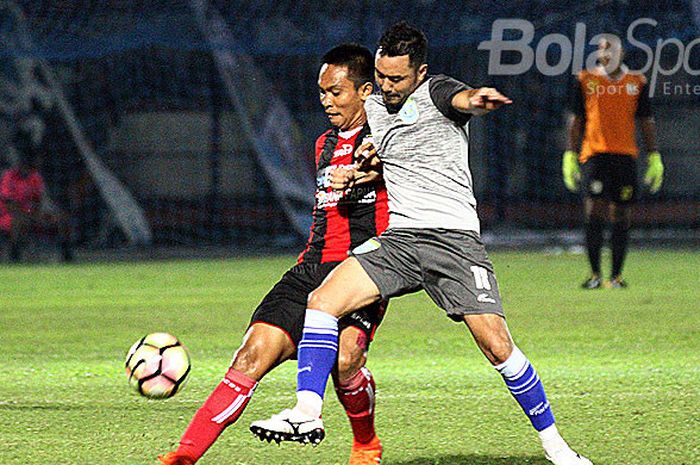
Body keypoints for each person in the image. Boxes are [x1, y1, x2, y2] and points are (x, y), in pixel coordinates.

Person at [251, 22, 593, 465]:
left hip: (453, 242)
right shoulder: (375, 106)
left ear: (420, 72)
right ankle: (306, 411)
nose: (387, 87)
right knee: (322, 300)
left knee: (497, 346)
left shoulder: (436, 92)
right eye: (381, 76)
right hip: (400, 240)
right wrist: (358, 173)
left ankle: (556, 446)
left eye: (397, 79)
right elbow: (392, 163)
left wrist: (477, 99)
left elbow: (461, 99)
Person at [156, 43, 389, 465]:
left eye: (336, 92)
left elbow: (389, 157)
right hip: (310, 268)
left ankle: (365, 444)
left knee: (346, 359)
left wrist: (362, 170)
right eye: (322, 93)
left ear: (366, 91)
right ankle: (184, 456)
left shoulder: (389, 140)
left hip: (362, 269)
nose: (327, 101)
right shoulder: (324, 142)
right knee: (251, 353)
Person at [562, 37, 663, 289]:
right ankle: (595, 275)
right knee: (593, 211)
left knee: (621, 213)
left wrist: (654, 156)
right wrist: (570, 155)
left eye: (608, 48)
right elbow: (576, 119)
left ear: (621, 53)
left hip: (625, 157)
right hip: (595, 156)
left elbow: (646, 121)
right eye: (600, 49)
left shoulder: (636, 82)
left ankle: (616, 276)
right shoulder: (585, 80)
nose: (603, 53)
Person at [0, 130, 73, 263]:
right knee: (17, 221)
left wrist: (35, 213)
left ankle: (66, 254)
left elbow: (37, 201)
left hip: (30, 213)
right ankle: (15, 255)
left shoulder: (35, 176)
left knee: (61, 218)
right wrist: (27, 213)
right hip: (8, 216)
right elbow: (9, 204)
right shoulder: (8, 176)